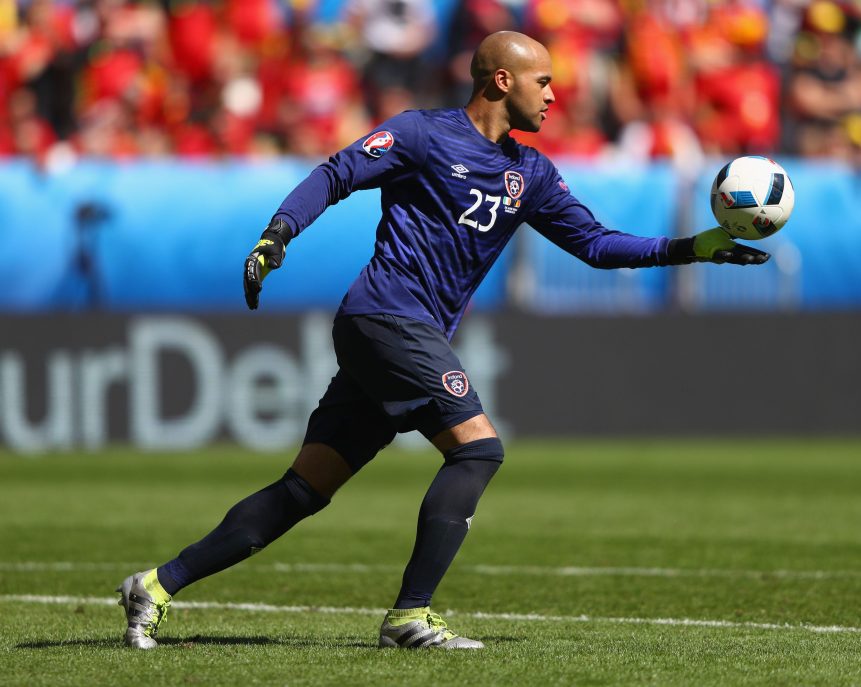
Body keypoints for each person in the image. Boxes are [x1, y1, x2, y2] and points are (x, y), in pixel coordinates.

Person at [116, 30, 768, 651]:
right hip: (386, 317)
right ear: (501, 80)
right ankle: (409, 613)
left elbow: (595, 245)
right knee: (478, 449)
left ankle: (155, 584)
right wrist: (278, 232)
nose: (552, 95)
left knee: (304, 489)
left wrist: (693, 248)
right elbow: (337, 173)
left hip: (396, 332)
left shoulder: (529, 173)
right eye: (542, 82)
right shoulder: (420, 135)